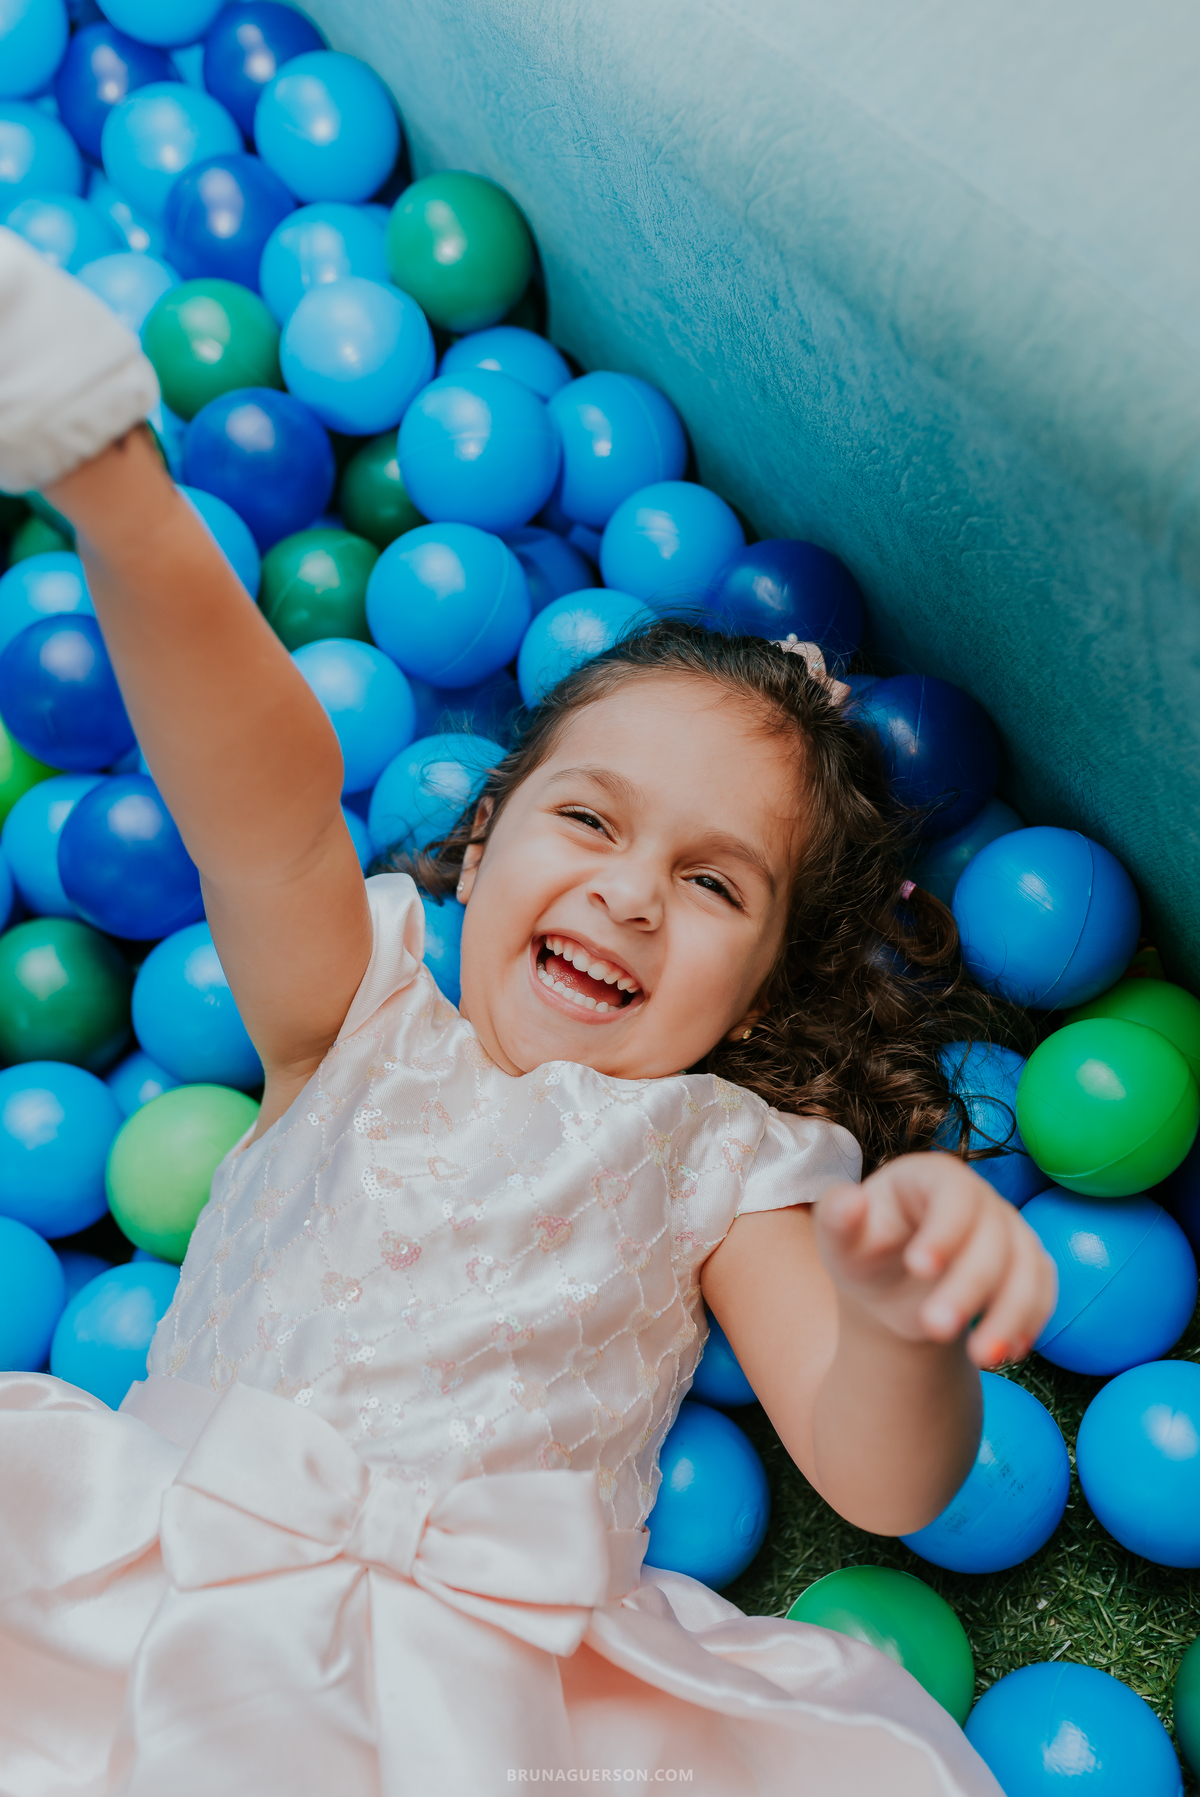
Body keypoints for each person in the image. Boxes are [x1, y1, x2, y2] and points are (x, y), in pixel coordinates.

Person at [0, 228, 1053, 1796]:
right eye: (590, 823)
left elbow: (881, 1472)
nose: (633, 892)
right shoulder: (350, 1009)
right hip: (156, 1563)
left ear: (761, 985)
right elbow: (263, 808)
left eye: (715, 887)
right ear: (481, 841)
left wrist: (907, 1326)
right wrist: (114, 494)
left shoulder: (722, 1154)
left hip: (473, 1693)